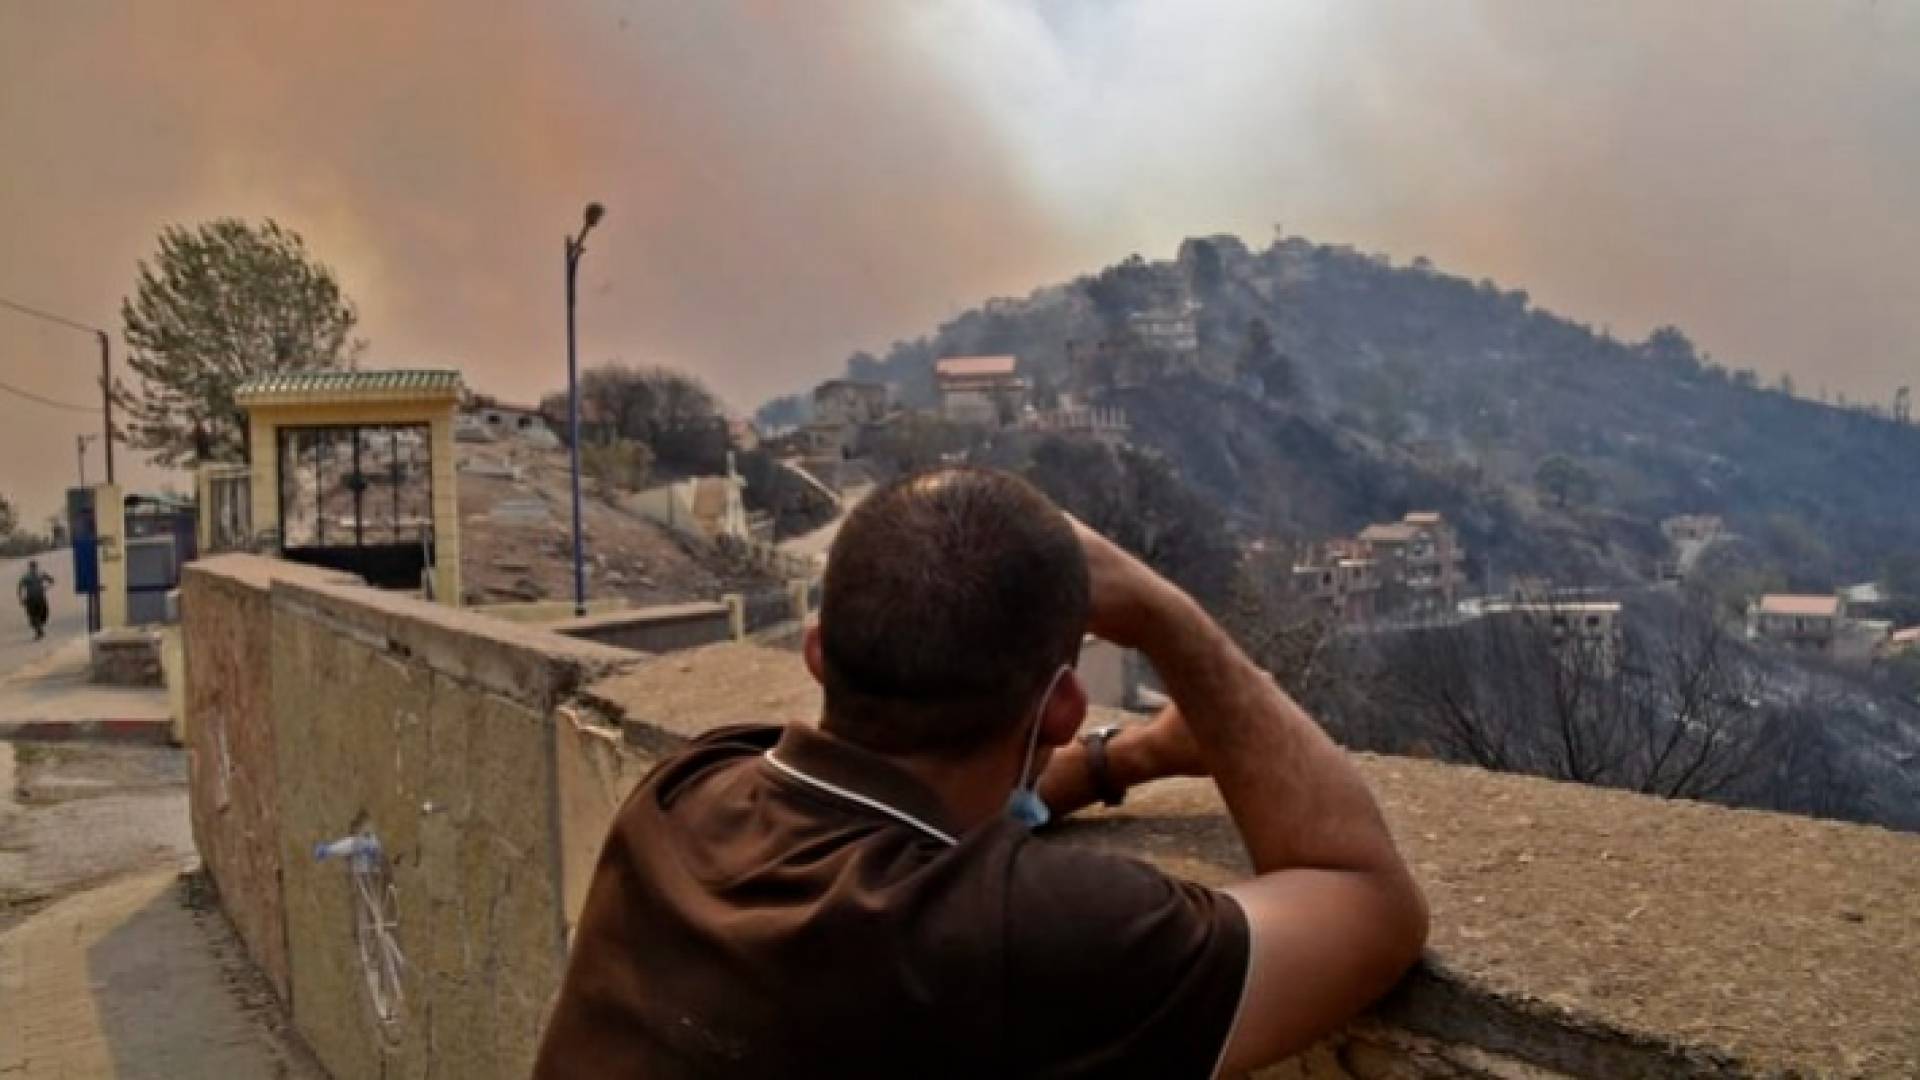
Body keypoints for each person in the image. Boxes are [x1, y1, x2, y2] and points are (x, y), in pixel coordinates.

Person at [536, 468, 1427, 1078]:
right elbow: (1368, 903)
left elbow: (916, 821)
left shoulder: (691, 786)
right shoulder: (1022, 937)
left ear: (816, 654)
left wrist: (1130, 759)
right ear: (1065, 708)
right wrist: (1165, 616)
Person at [17, 560, 53, 641]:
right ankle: (39, 631)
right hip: (37, 598)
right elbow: (51, 580)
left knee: (37, 615)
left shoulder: (29, 575)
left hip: (34, 598)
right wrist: (46, 587)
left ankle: (39, 630)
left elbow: (20, 587)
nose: (32, 568)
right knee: (37, 615)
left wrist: (21, 598)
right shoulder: (37, 574)